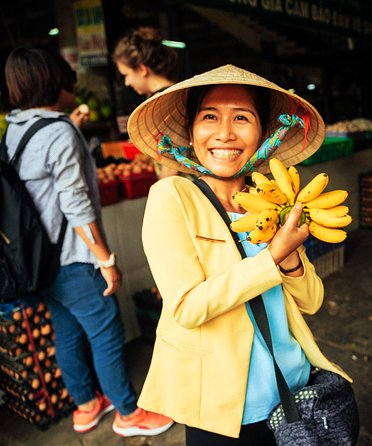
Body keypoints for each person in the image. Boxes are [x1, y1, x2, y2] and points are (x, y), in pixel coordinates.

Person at [125, 64, 353, 444]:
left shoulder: (270, 200)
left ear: (263, 133)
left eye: (242, 118)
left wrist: (289, 254)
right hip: (227, 410)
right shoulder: (173, 198)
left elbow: (311, 301)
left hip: (295, 390)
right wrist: (269, 258)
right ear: (193, 130)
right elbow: (187, 308)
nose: (225, 133)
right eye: (209, 116)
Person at [3, 48, 174, 437]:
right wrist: (105, 258)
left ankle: (85, 405)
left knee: (66, 331)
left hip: (37, 258)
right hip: (74, 258)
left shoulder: (15, 128)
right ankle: (128, 413)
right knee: (105, 331)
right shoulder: (59, 131)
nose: (74, 85)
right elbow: (76, 204)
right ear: (53, 81)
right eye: (67, 76)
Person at [113, 26, 181, 178]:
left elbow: (172, 165)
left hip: (180, 191)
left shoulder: (162, 104)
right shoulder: (177, 93)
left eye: (126, 75)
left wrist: (161, 196)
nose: (126, 82)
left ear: (142, 69)